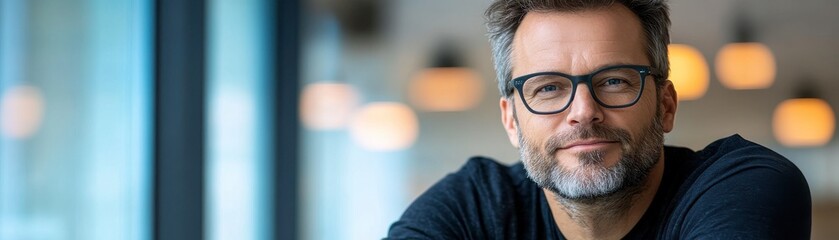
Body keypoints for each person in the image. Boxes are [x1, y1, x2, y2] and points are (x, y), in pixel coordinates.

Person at [387, 0, 812, 239]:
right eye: (548, 87)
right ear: (511, 119)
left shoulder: (742, 186)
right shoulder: (474, 206)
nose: (583, 111)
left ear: (665, 105)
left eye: (613, 81)